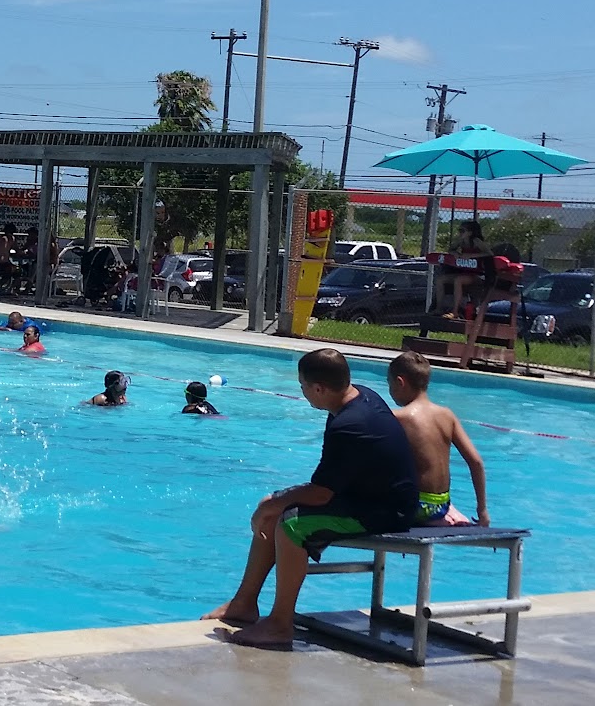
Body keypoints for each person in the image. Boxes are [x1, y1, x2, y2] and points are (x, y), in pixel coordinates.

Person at [202, 348, 422, 648]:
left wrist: (272, 504)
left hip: (385, 512)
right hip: (368, 499)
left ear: (319, 389)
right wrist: (274, 503)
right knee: (275, 509)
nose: (302, 392)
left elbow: (321, 492)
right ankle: (244, 603)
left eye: (303, 386)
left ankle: (280, 625)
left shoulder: (349, 424)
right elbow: (327, 484)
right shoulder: (359, 398)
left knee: (291, 524)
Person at [387, 351, 488, 526]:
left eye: (389, 383)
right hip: (441, 505)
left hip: (414, 508)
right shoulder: (447, 415)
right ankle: (444, 513)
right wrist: (482, 510)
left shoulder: (398, 417)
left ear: (400, 382)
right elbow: (476, 462)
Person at [436, 219, 491, 317]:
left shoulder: (476, 241)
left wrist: (472, 255)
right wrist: (455, 253)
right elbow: (451, 249)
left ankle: (455, 311)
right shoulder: (461, 241)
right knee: (440, 280)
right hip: (465, 271)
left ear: (470, 233)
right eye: (459, 230)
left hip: (477, 274)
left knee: (458, 280)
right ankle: (438, 308)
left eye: (462, 231)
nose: (460, 233)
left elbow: (489, 254)